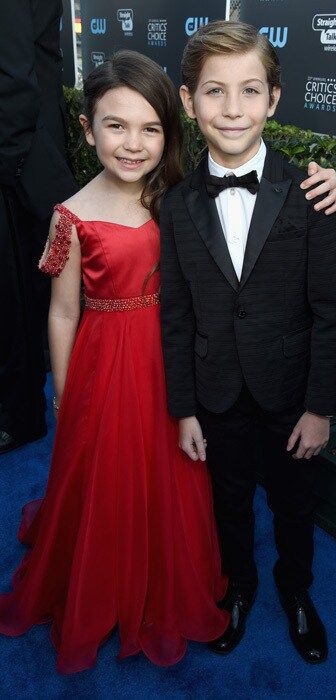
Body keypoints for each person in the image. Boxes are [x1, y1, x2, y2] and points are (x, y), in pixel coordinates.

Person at [0, 51, 230, 674]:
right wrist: (63, 391)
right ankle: (103, 583)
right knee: (104, 470)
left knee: (168, 468)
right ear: (86, 128)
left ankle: (163, 574)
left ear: (168, 133)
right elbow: (63, 312)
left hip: (167, 358)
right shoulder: (70, 217)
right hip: (104, 366)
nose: (133, 144)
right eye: (116, 126)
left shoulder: (177, 196)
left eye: (150, 128)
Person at [160, 21, 336, 664]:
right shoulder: (177, 206)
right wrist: (183, 407)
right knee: (229, 503)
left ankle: (297, 594)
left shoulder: (311, 194)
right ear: (189, 102)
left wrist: (320, 408)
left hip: (292, 393)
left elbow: (330, 313)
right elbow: (176, 315)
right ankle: (238, 590)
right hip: (215, 393)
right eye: (215, 91)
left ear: (274, 98)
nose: (232, 109)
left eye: (248, 90)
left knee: (296, 506)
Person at [0, 0, 77, 453]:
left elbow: (13, 81)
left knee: (17, 301)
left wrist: (8, 168)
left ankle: (20, 416)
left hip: (18, 163)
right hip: (25, 158)